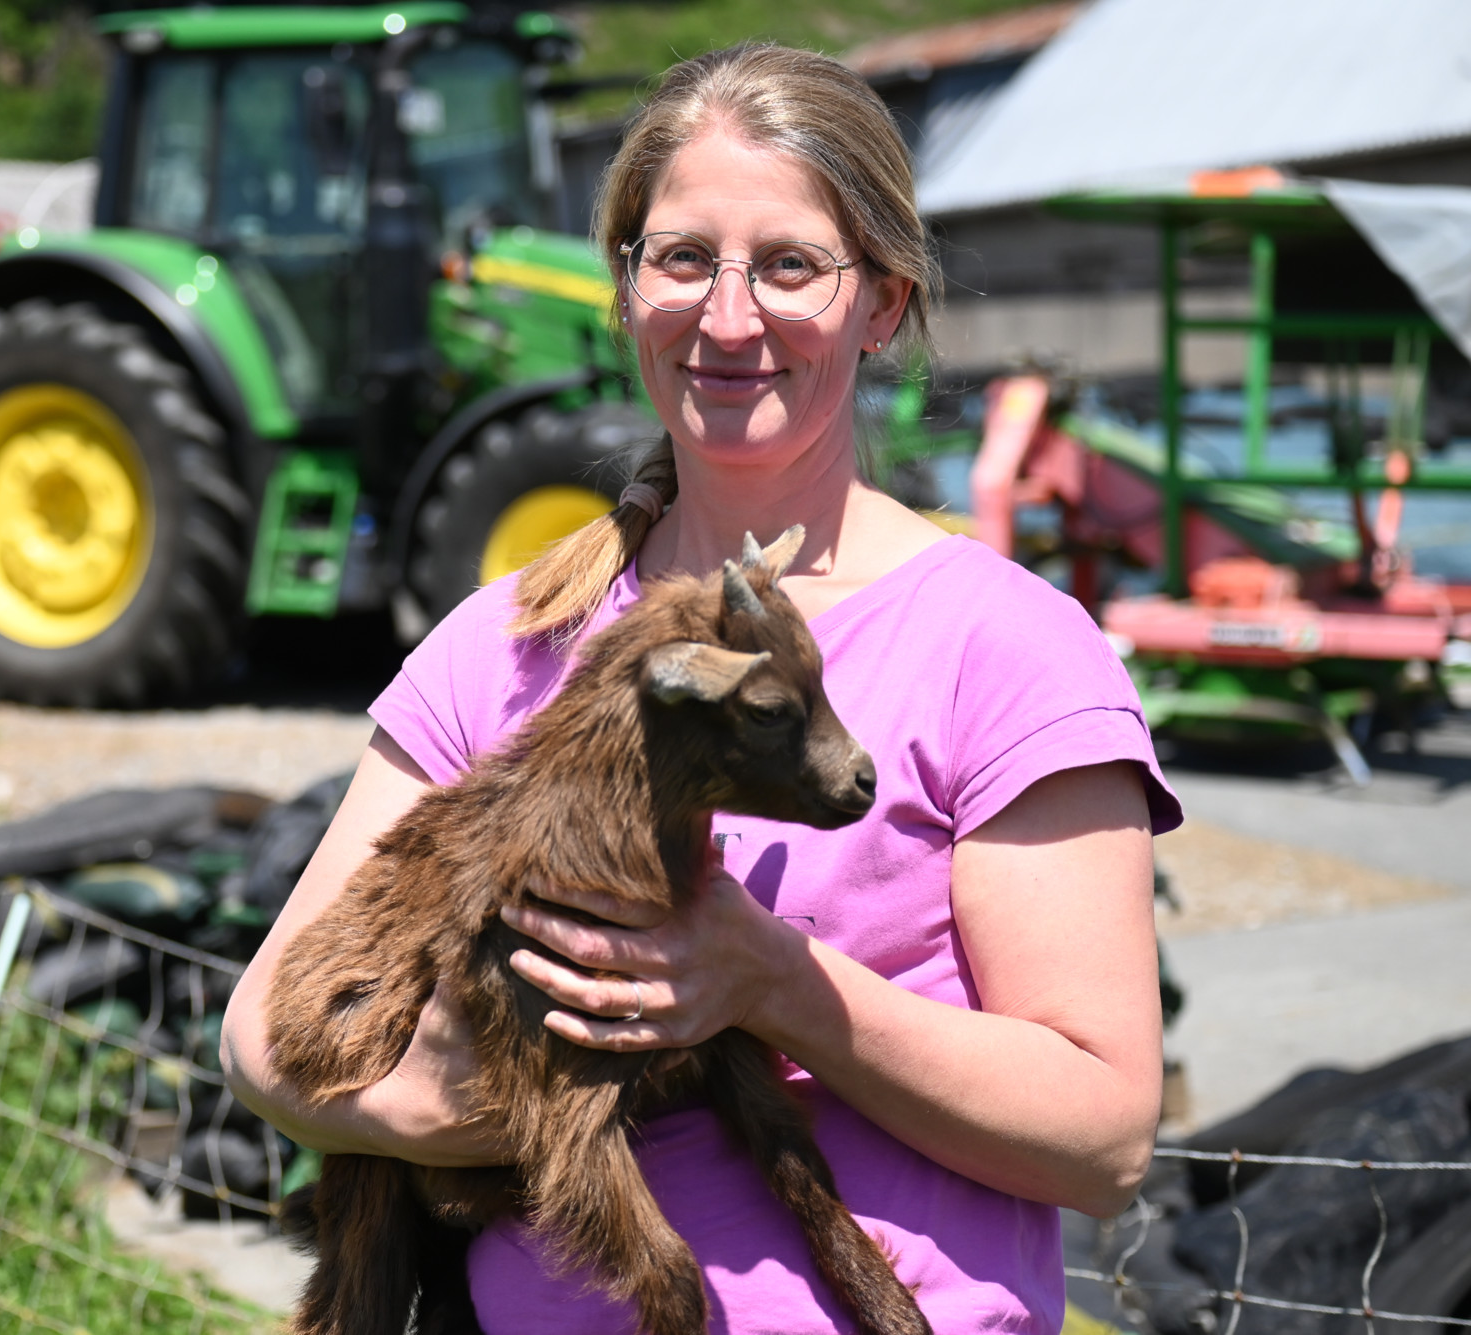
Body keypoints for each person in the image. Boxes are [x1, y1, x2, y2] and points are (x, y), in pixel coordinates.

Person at [222, 42, 1179, 1334]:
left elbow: (1104, 1142)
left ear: (883, 302)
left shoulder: (1001, 646)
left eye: (789, 265)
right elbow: (262, 1041)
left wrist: (771, 982)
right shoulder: (507, 641)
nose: (729, 319)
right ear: (625, 291)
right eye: (682, 259)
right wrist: (452, 1104)